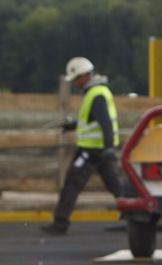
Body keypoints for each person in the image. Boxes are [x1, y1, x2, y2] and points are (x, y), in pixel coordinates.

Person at [41, 57, 125, 235]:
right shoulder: (96, 92)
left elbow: (105, 123)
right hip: (102, 150)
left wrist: (109, 147)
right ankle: (132, 220)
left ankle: (60, 223)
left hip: (91, 151)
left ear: (85, 76)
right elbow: (92, 122)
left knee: (72, 183)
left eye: (76, 79)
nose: (76, 84)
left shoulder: (96, 94)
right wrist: (72, 126)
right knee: (117, 186)